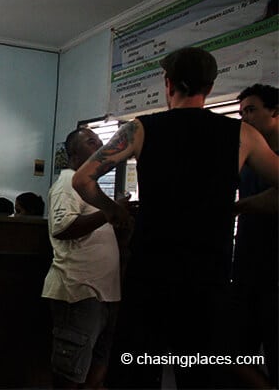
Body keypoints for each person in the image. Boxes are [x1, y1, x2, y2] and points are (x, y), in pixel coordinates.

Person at [72, 47, 279, 388]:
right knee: (201, 375)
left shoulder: (140, 129)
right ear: (209, 88)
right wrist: (241, 207)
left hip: (150, 276)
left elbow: (82, 179)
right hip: (207, 278)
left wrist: (114, 211)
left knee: (135, 375)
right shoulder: (242, 135)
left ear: (168, 85)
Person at [42, 127, 122, 388]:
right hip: (79, 292)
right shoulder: (68, 183)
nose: (99, 145)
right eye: (91, 141)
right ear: (73, 153)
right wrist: (109, 212)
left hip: (103, 294)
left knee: (98, 364)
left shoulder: (91, 187)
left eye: (100, 141)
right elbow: (63, 228)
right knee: (69, 373)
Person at [228, 84, 278, 388]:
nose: (245, 118)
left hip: (274, 274)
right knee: (231, 353)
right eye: (241, 112)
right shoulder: (247, 157)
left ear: (274, 111)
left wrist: (237, 207)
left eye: (251, 110)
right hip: (247, 270)